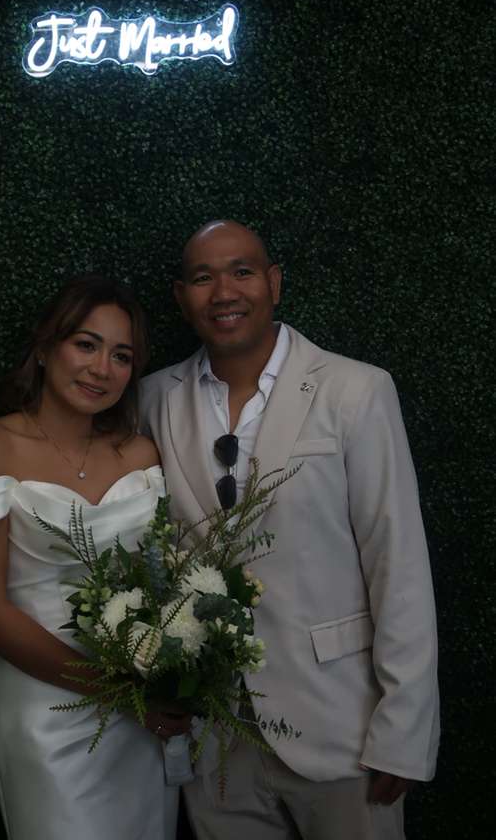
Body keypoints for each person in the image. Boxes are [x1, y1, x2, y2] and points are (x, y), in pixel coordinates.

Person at [140, 221, 439, 840]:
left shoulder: (356, 390)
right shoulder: (151, 399)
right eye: (203, 277)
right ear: (181, 296)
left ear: (274, 283)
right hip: (215, 734)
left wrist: (404, 730)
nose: (224, 291)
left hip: (343, 725)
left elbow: (398, 562)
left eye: (242, 271)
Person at [0, 275, 187, 840]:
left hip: (142, 716)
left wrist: (165, 676)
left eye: (121, 356)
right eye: (86, 345)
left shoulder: (140, 452)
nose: (101, 369)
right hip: (45, 709)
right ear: (44, 348)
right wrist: (117, 691)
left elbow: (164, 581)